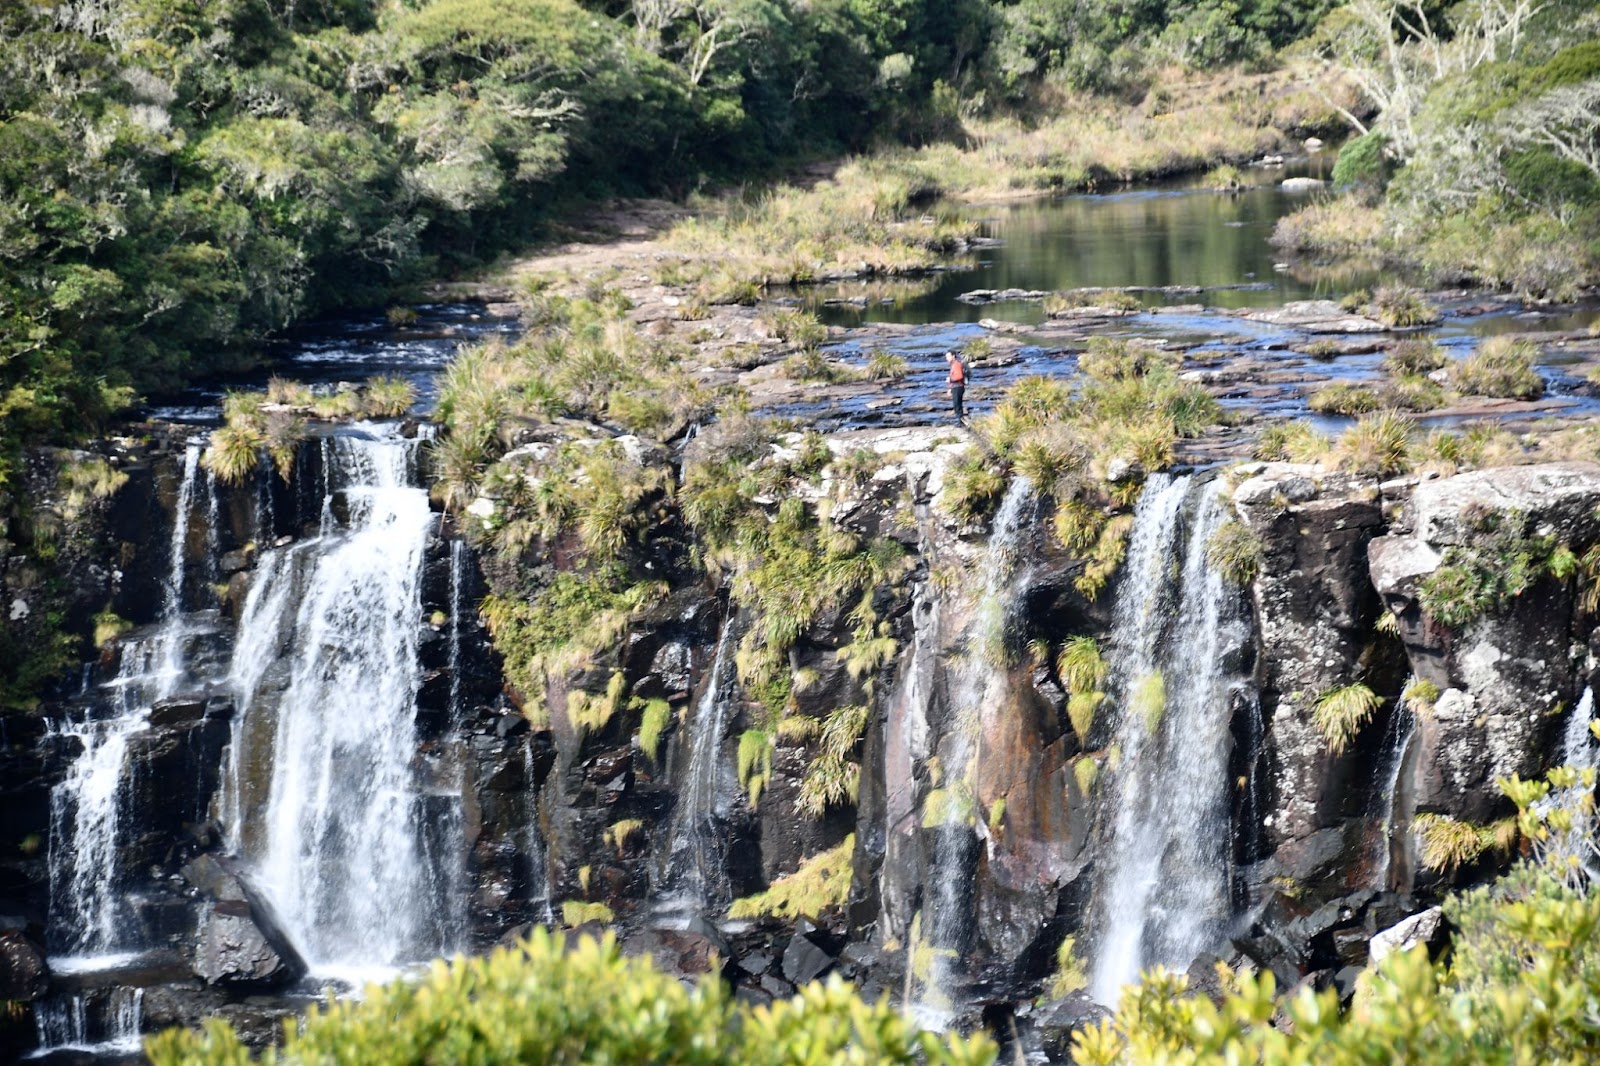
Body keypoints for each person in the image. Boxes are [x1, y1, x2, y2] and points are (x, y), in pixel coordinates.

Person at [944, 350, 967, 422]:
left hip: (958, 387)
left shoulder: (956, 364)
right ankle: (960, 421)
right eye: (946, 357)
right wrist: (950, 388)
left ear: (953, 356)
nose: (947, 358)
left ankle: (961, 422)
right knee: (956, 405)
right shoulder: (953, 364)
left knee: (957, 406)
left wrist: (950, 379)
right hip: (956, 387)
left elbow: (959, 376)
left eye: (948, 356)